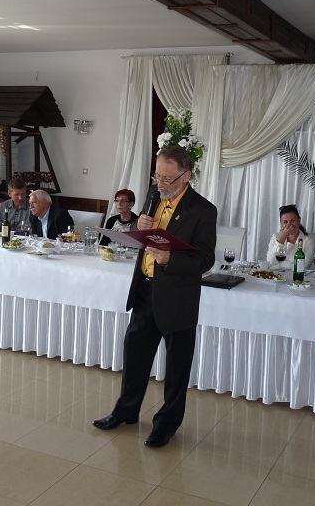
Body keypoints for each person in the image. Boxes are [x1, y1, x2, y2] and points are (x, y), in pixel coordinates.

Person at [92, 146, 216, 449]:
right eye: (157, 176)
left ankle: (166, 425)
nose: (160, 184)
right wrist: (138, 227)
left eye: (167, 179)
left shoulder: (203, 210)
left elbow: (205, 259)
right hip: (145, 291)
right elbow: (143, 235)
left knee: (176, 367)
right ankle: (126, 411)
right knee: (135, 356)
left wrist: (170, 259)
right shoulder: (153, 193)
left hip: (177, 299)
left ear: (185, 177)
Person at [266, 204, 314, 270]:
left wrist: (279, 265)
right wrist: (281, 240)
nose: (289, 225)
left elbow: (302, 267)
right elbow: (270, 262)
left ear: (299, 220)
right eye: (285, 222)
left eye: (293, 221)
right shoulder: (275, 237)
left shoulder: (309, 242)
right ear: (281, 223)